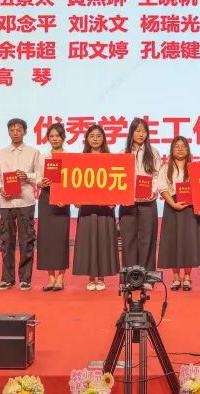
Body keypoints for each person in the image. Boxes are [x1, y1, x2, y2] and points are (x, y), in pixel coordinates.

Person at [0, 117, 43, 291]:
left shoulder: (33, 152)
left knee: (26, 240)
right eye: (12, 130)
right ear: (8, 132)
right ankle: (7, 278)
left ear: (25, 132)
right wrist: (1, 189)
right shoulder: (0, 154)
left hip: (25, 201)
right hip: (6, 202)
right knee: (6, 241)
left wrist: (27, 176)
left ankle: (25, 278)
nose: (15, 133)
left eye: (19, 130)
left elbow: (40, 176)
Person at [72, 124, 121, 291]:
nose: (95, 139)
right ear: (86, 139)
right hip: (86, 208)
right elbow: (75, 183)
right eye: (92, 136)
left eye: (99, 136)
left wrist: (115, 199)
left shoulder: (111, 159)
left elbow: (117, 182)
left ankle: (101, 278)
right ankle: (91, 277)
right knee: (89, 240)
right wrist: (75, 199)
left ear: (104, 139)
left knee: (103, 240)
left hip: (105, 208)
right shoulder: (80, 159)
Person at [156, 136, 200, 291]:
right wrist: (173, 204)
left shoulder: (194, 167)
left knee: (188, 242)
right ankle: (176, 277)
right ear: (172, 150)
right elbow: (163, 188)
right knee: (173, 241)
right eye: (176, 146)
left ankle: (187, 277)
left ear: (188, 149)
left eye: (183, 146)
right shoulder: (166, 167)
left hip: (190, 208)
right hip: (172, 206)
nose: (180, 149)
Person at [119, 118, 161, 271]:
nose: (141, 134)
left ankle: (147, 275)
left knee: (147, 239)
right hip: (127, 203)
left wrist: (152, 191)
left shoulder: (153, 152)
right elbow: (118, 178)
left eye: (144, 131)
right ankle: (130, 275)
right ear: (131, 132)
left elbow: (157, 176)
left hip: (148, 203)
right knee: (128, 239)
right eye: (137, 131)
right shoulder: (122, 153)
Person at [36, 122, 71, 292]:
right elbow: (37, 177)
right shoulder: (43, 157)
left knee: (61, 238)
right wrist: (40, 182)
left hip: (62, 199)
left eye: (57, 135)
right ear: (48, 138)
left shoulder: (70, 157)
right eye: (51, 136)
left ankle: (61, 277)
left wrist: (67, 197)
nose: (55, 138)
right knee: (46, 238)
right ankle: (50, 277)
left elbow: (72, 180)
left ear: (63, 137)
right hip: (46, 198)